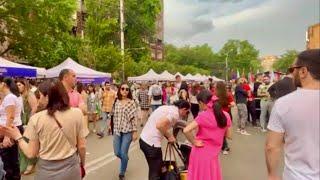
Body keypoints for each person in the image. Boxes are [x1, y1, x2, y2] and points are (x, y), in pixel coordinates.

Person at [0, 81, 86, 180]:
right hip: (72, 167)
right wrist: (82, 164)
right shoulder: (77, 113)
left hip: (47, 170)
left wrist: (17, 136)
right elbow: (82, 146)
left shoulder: (37, 119)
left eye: (40, 95)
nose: (39, 99)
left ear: (48, 97)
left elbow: (31, 153)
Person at [265, 49, 320, 180]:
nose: (291, 73)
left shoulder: (283, 104)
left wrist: (272, 175)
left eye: (292, 69)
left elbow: (272, 147)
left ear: (303, 71)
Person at [184, 90, 232, 180]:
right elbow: (229, 136)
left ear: (201, 103)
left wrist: (194, 142)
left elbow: (186, 130)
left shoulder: (202, 116)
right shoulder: (225, 115)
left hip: (200, 152)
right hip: (213, 154)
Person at [139, 100, 190, 180]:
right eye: (187, 112)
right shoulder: (175, 114)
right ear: (183, 109)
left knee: (154, 169)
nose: (186, 115)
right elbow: (159, 125)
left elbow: (161, 125)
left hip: (144, 140)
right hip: (152, 145)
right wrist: (170, 136)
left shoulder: (167, 108)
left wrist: (168, 136)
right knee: (156, 172)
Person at [112, 83, 138, 180]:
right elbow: (113, 115)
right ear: (119, 90)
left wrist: (135, 132)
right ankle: (125, 159)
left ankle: (122, 173)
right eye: (123, 88)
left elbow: (134, 118)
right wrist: (109, 126)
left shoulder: (131, 102)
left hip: (128, 131)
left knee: (123, 153)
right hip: (117, 130)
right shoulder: (116, 101)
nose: (125, 91)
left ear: (129, 91)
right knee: (117, 153)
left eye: (127, 89)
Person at [0, 77, 23, 180]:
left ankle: (12, 177)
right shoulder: (11, 96)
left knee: (8, 160)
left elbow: (10, 116)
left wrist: (6, 136)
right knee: (12, 158)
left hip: (9, 130)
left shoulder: (9, 97)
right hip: (11, 129)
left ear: (3, 84)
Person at [16, 79, 38, 174]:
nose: (18, 87)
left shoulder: (29, 94)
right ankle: (26, 164)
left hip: (28, 121)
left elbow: (34, 108)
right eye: (17, 85)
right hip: (22, 120)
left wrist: (30, 122)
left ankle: (31, 164)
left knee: (28, 143)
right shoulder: (20, 95)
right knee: (22, 143)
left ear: (25, 85)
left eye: (20, 85)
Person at [215, 81, 234, 155]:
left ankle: (225, 146)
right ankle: (224, 146)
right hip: (226, 114)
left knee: (221, 130)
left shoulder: (215, 95)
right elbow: (232, 104)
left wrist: (222, 106)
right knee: (223, 130)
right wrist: (226, 106)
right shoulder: (228, 94)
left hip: (218, 113)